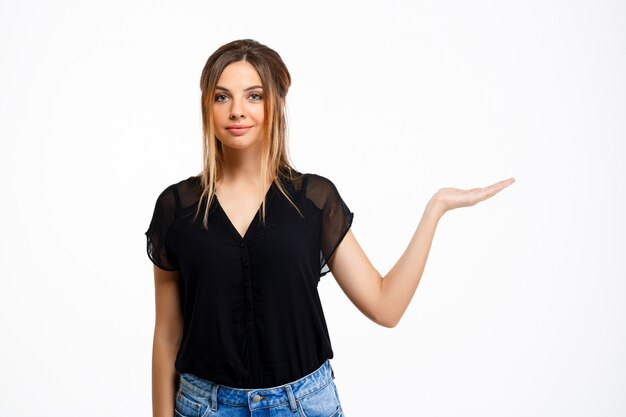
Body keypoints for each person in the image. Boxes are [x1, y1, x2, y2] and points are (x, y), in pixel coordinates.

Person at [145, 39, 515, 417]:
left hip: (302, 406)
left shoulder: (314, 200)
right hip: (205, 406)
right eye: (222, 97)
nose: (237, 111)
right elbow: (167, 336)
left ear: (277, 104)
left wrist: (435, 209)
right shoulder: (177, 208)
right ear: (207, 105)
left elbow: (385, 306)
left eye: (253, 96)